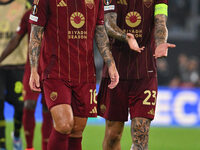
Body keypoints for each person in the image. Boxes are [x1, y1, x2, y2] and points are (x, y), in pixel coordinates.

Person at [28, 0, 119, 150]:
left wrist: (111, 63)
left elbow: (100, 31)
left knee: (77, 129)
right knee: (64, 124)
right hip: (55, 71)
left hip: (85, 73)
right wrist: (33, 69)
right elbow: (36, 32)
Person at [97, 0, 176, 150]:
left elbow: (160, 22)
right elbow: (108, 24)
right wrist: (126, 37)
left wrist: (160, 42)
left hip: (145, 72)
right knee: (113, 135)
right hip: (116, 71)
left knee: (141, 136)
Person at [0, 4, 53, 150]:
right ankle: (29, 147)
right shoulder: (28, 15)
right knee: (28, 104)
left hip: (52, 68)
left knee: (47, 108)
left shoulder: (56, 13)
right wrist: (1, 58)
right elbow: (16, 39)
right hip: (33, 67)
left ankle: (45, 146)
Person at [0, 0, 27, 149]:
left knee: (20, 105)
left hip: (18, 65)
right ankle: (2, 143)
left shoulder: (25, 4)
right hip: (0, 68)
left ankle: (16, 135)